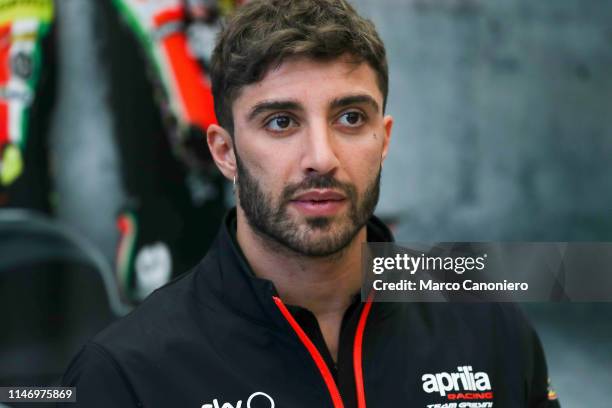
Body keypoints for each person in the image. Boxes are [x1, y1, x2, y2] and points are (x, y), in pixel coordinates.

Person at [61, 0, 561, 407]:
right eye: (281, 121)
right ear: (224, 152)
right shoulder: (126, 376)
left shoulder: (488, 323)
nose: (321, 158)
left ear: (383, 140)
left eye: (349, 118)